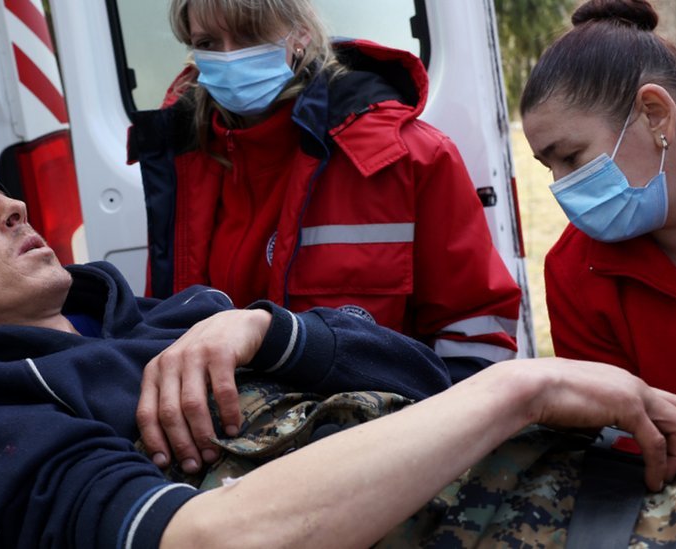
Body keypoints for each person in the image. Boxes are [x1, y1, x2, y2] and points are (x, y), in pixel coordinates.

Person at [0, 168, 676, 547]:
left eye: (1, 194)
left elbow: (428, 379)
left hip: (622, 474)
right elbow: (213, 540)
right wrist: (523, 383)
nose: (14, 206)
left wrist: (267, 328)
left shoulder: (186, 313)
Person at [128, 0, 522, 387]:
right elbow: (164, 321)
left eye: (249, 35)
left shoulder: (411, 157)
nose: (230, 57)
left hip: (383, 431)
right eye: (209, 43)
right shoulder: (180, 162)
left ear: (300, 34)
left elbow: (476, 330)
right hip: (223, 431)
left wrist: (439, 430)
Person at [520, 0, 676, 400]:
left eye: (571, 157)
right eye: (547, 166)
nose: (561, 187)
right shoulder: (575, 272)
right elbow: (617, 445)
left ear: (654, 114)